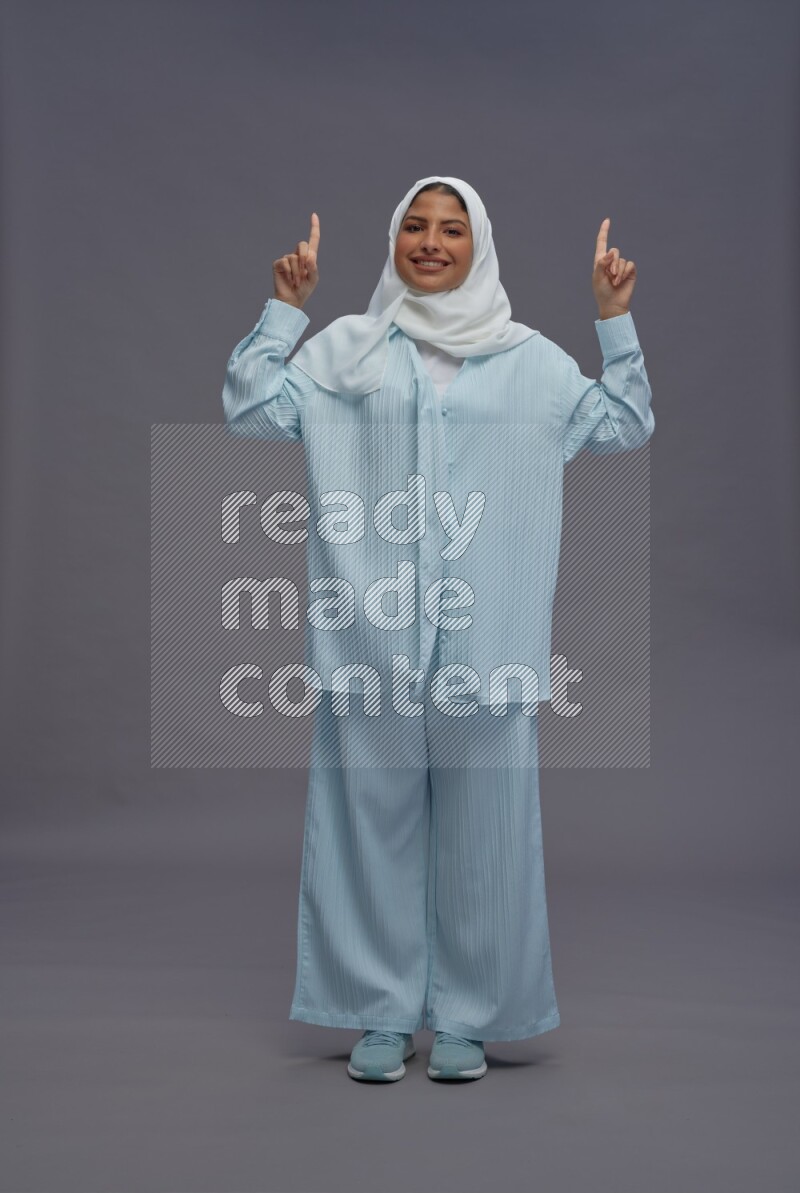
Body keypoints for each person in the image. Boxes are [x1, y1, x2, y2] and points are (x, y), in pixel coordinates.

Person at [221, 175, 654, 1083]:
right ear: (393, 241)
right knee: (361, 831)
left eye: (451, 228)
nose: (430, 241)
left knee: (487, 840)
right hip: (368, 641)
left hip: (486, 644)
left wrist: (612, 319)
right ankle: (378, 1011)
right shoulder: (348, 350)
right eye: (414, 226)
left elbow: (622, 424)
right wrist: (282, 310)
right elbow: (253, 411)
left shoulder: (530, 360)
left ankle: (468, 1015)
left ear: (478, 244)